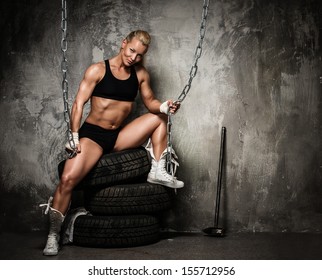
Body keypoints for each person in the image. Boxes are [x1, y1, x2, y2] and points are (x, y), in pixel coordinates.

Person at [40, 30, 184, 256]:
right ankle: (54, 234)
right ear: (123, 43)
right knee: (67, 179)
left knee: (159, 118)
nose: (133, 58)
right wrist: (74, 135)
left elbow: (151, 103)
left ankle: (157, 169)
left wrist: (165, 106)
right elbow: (78, 103)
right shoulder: (98, 70)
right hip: (93, 136)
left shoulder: (140, 74)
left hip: (117, 136)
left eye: (139, 55)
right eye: (131, 51)